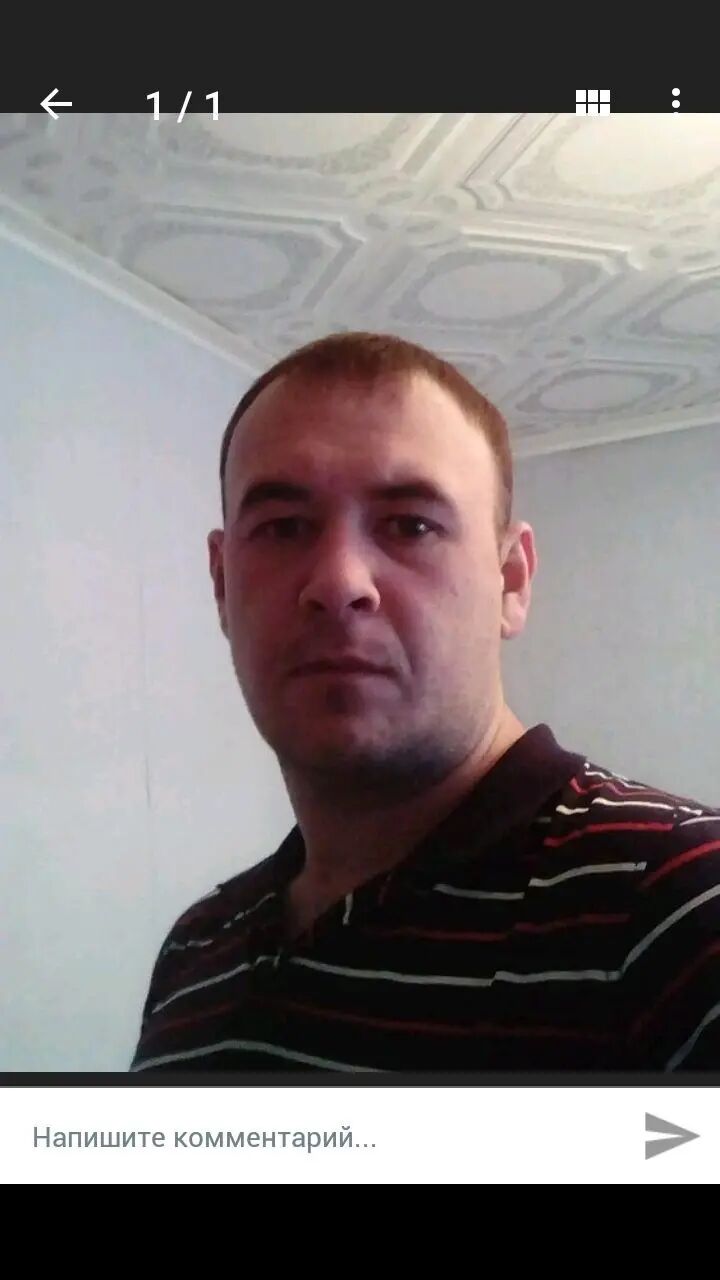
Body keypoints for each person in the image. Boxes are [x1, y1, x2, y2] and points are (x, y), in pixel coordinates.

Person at [130, 331, 720, 1073]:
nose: (339, 582)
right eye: (283, 527)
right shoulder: (194, 950)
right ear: (221, 583)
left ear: (511, 581)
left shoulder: (684, 903)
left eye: (411, 525)